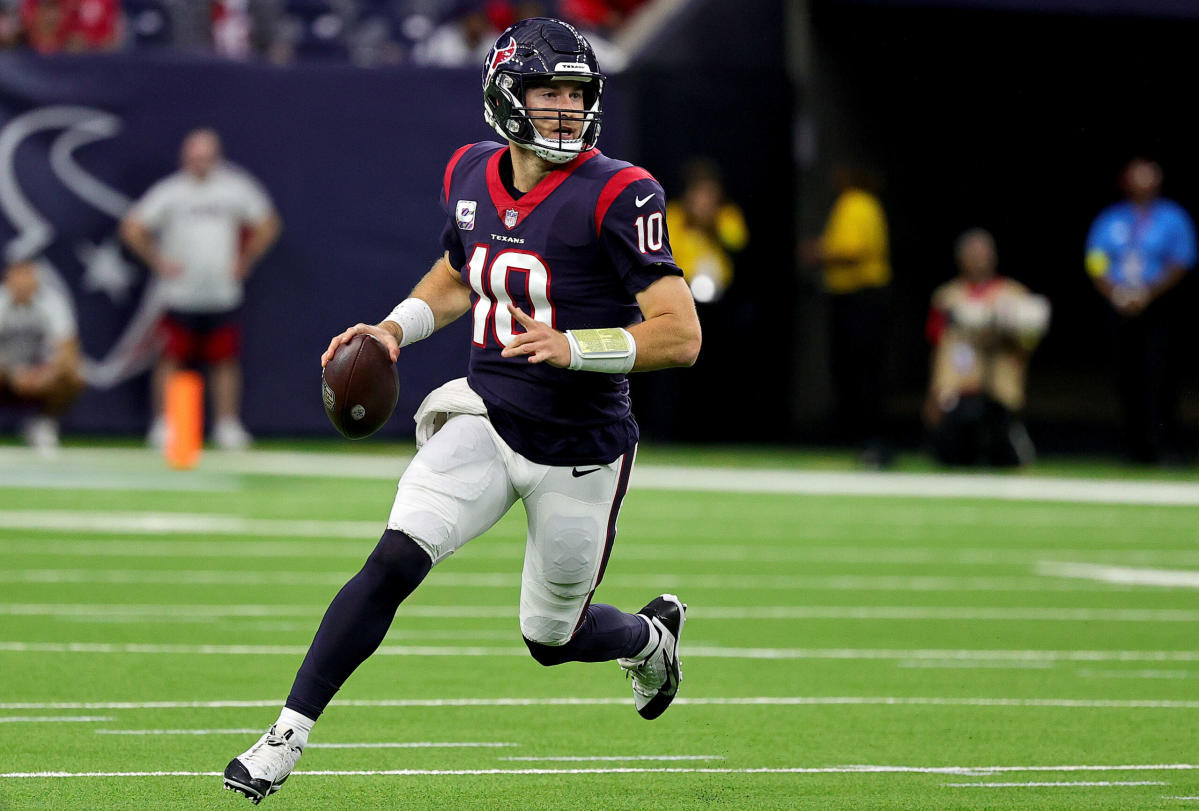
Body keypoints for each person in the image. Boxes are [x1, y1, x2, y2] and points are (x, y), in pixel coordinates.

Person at [221, 17, 700, 805]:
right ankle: (285, 734)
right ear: (507, 95)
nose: (565, 108)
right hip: (485, 413)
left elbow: (680, 336)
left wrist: (573, 347)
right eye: (548, 91)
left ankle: (648, 636)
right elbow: (455, 273)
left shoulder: (619, 191)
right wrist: (391, 328)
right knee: (393, 560)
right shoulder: (472, 172)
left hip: (578, 445)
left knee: (552, 638)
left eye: (576, 93)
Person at [120, 128, 281, 450]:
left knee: (224, 360)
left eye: (205, 157)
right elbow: (133, 227)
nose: (200, 163)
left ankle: (226, 424)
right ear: (185, 158)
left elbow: (268, 223)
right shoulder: (170, 192)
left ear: (216, 157)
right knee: (170, 358)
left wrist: (245, 258)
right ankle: (164, 423)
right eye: (194, 157)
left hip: (222, 293)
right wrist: (158, 261)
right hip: (179, 293)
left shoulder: (235, 188)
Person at [1085, 157, 1197, 463]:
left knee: (1161, 375)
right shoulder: (1111, 218)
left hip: (1160, 307)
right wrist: (1117, 292)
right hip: (1119, 305)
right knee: (1126, 376)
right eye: (1136, 177)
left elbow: (1181, 261)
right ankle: (1132, 447)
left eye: (1148, 178)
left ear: (1158, 182)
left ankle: (1164, 445)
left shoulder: (1173, 218)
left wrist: (1148, 293)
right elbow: (1096, 260)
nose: (1142, 184)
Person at [924, 229, 1049, 467]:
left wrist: (1002, 326)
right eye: (972, 254)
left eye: (983, 253)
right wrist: (934, 394)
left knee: (1000, 453)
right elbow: (939, 348)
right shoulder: (947, 297)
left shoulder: (1013, 293)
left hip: (997, 392)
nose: (979, 259)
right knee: (951, 455)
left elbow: (1027, 345)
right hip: (958, 390)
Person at [803, 163, 892, 467]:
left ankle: (868, 439)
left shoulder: (854, 203)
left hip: (860, 297)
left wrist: (819, 253)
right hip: (863, 298)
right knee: (858, 370)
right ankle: (863, 437)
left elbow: (852, 250)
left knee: (860, 371)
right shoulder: (869, 203)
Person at [0, 256, 85, 451]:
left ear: (36, 278)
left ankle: (43, 423)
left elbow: (68, 350)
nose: (23, 281)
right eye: (18, 275)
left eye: (27, 274)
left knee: (74, 375)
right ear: (8, 278)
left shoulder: (52, 303)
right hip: (6, 375)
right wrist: (13, 373)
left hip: (41, 375)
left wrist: (45, 374)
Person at [665, 157, 748, 304]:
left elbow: (737, 243)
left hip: (723, 294)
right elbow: (665, 251)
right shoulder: (674, 215)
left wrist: (712, 223)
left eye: (709, 193)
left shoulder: (727, 214)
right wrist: (689, 223)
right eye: (699, 193)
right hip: (684, 291)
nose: (703, 200)